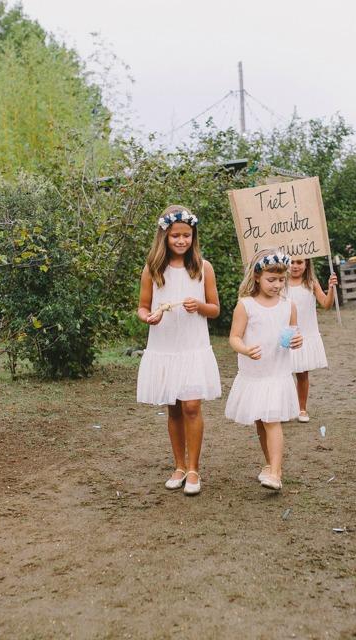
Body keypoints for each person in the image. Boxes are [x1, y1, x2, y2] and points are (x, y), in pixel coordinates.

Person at [136, 205, 221, 496]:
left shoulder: (202, 268)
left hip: (193, 347)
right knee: (173, 409)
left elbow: (215, 309)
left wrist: (198, 306)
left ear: (193, 236)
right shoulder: (153, 269)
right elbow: (142, 306)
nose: (181, 241)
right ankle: (179, 465)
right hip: (165, 347)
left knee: (192, 406)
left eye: (186, 235)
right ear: (164, 237)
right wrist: (149, 317)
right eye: (176, 236)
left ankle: (195, 468)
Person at [225, 249, 302, 491]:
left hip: (276, 373)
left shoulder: (288, 305)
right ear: (257, 276)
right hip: (254, 373)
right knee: (260, 420)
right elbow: (234, 338)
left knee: (271, 419)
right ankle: (270, 465)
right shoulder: (245, 305)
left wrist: (297, 340)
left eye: (281, 280)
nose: (277, 285)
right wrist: (246, 350)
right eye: (272, 279)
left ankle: (276, 473)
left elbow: (292, 334)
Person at [287, 258, 337, 423]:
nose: (295, 266)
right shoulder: (280, 282)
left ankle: (302, 409)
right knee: (282, 374)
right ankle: (284, 409)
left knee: (302, 373)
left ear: (307, 264)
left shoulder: (311, 283)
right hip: (285, 333)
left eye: (299, 262)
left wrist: (331, 288)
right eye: (292, 262)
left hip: (305, 334)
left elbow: (326, 304)